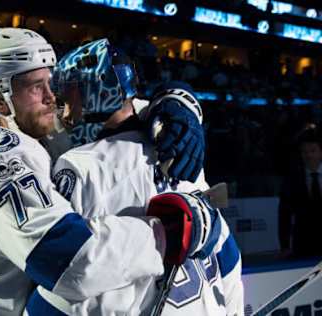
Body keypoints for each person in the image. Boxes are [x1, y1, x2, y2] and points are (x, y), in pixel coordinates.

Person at [0, 28, 218, 316]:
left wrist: (179, 102)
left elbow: (121, 106)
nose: (52, 97)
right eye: (35, 86)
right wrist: (169, 229)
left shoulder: (30, 121)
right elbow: (67, 259)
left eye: (52, 82)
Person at [24, 39, 243, 315]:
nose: (64, 110)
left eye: (70, 96)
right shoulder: (180, 149)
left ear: (95, 91)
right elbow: (226, 253)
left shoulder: (80, 166)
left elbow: (71, 275)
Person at [279, 127, 322, 258]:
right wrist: (285, 246)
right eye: (304, 152)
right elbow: (284, 214)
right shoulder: (292, 178)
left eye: (313, 151)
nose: (308, 155)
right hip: (303, 244)